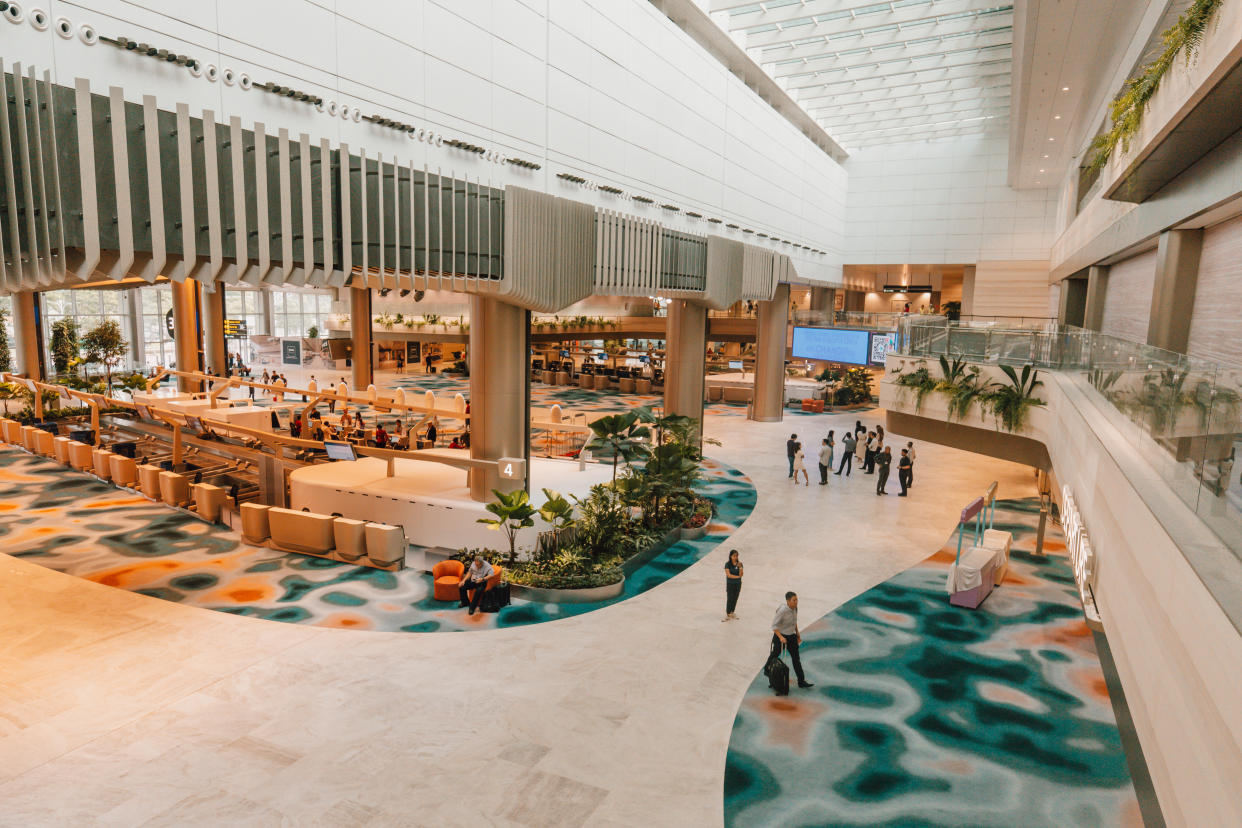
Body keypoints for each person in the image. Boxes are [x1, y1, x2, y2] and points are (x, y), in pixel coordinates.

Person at [771, 591, 812, 689]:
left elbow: (794, 621)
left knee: (796, 659)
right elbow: (774, 626)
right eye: (794, 600)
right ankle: (771, 677)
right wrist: (781, 637)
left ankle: (801, 681)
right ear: (788, 601)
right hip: (780, 637)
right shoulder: (782, 611)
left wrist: (797, 632)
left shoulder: (795, 608)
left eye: (797, 600)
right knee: (774, 656)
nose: (796, 602)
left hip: (791, 636)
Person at [723, 549, 743, 621]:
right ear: (730, 556)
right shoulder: (727, 564)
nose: (735, 557)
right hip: (730, 584)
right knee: (730, 598)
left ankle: (732, 612)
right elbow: (729, 575)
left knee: (735, 597)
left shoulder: (740, 564)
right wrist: (738, 577)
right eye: (734, 556)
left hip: (738, 584)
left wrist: (740, 567)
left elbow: (741, 574)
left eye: (737, 556)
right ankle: (728, 613)